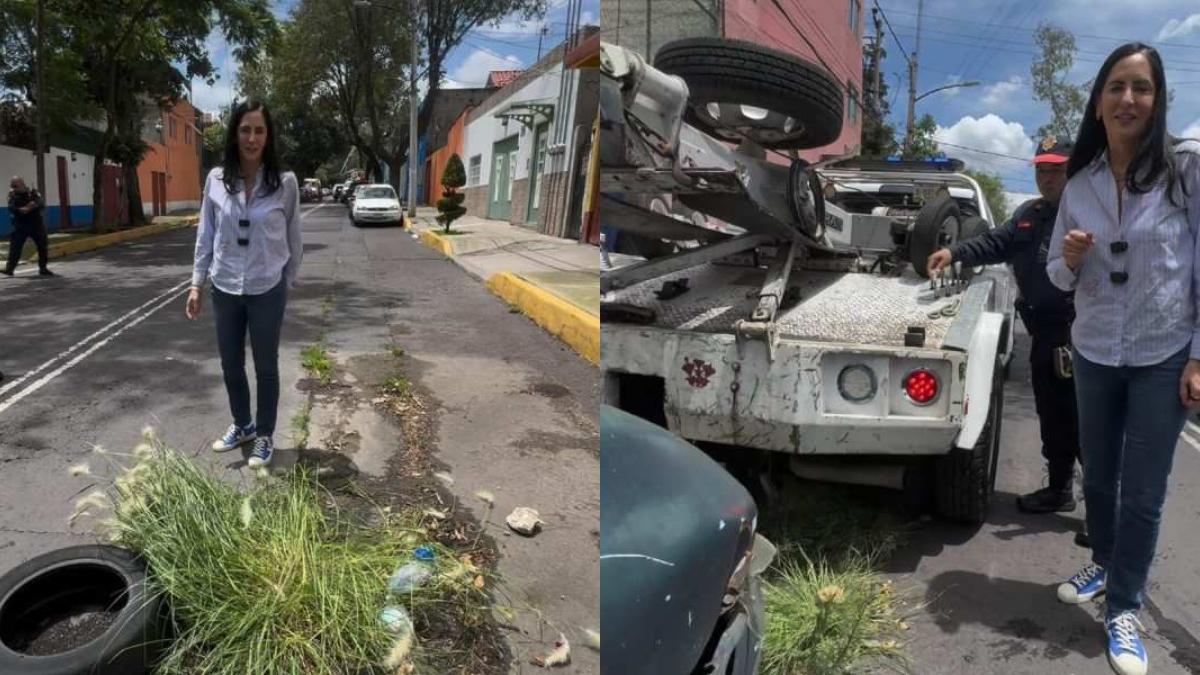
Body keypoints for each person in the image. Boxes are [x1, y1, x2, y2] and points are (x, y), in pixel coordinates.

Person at [1045, 43, 1200, 675]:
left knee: (1143, 489)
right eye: (1116, 86)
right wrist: (1073, 259)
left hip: (1163, 352)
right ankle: (1105, 564)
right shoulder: (1078, 184)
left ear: (1157, 99)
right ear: (1099, 100)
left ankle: (1125, 608)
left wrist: (1199, 356)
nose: (1128, 99)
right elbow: (1055, 274)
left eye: (1141, 88)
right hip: (1096, 349)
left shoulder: (1184, 171)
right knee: (1100, 475)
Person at [928, 139, 1087, 540]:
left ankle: (1104, 515)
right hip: (1043, 335)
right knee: (1053, 418)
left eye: (1055, 170)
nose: (1046, 177)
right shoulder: (1029, 214)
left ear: (1072, 171)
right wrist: (956, 253)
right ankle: (1058, 490)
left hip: (1080, 336)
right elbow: (995, 243)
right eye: (1041, 170)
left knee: (1087, 424)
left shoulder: (1087, 214)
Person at [187, 100, 303, 469]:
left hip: (267, 287)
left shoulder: (284, 183)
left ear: (268, 136)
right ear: (235, 134)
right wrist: (196, 283)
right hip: (224, 287)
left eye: (259, 130)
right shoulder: (216, 180)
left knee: (266, 365)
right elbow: (206, 233)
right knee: (230, 364)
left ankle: (265, 435)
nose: (252, 138)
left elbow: (294, 238)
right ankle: (243, 424)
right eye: (245, 130)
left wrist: (288, 282)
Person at [4, 176, 53, 276]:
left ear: (22, 184)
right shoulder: (12, 195)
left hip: (36, 224)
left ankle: (43, 268)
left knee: (42, 245)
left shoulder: (33, 192)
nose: (13, 188)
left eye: (15, 185)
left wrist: (32, 206)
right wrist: (22, 209)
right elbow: (11, 207)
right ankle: (10, 269)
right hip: (20, 225)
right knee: (15, 247)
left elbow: (41, 203)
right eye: (12, 186)